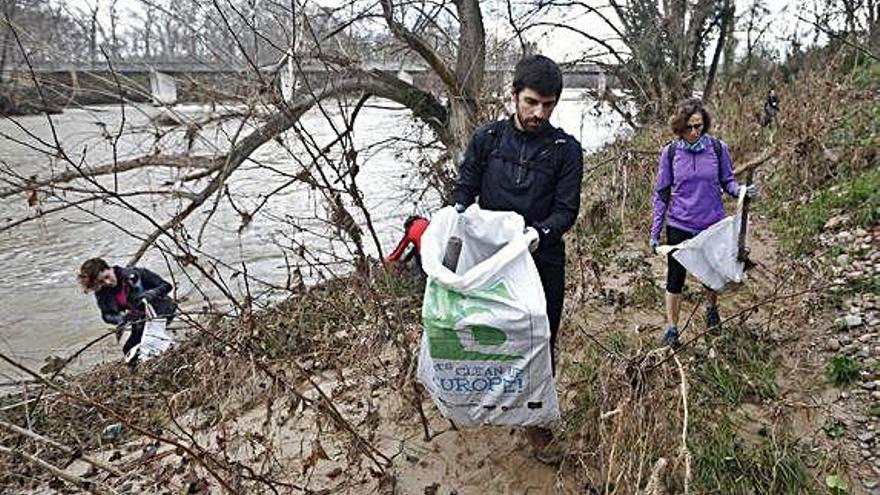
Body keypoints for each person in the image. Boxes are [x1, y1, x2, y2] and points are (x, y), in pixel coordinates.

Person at [452, 54, 583, 460]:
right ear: (513, 95)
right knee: (486, 333)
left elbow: (566, 211)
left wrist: (537, 234)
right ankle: (488, 402)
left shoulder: (567, 151)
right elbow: (464, 190)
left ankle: (536, 424)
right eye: (530, 102)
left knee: (539, 339)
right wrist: (448, 226)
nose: (538, 113)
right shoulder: (487, 139)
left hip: (541, 260)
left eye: (548, 105)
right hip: (491, 262)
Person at [650, 98, 757, 348]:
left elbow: (727, 181)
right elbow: (662, 193)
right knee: (675, 278)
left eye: (698, 126)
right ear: (679, 128)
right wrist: (655, 232)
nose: (694, 132)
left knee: (711, 273)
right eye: (688, 127)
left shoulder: (718, 149)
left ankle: (711, 310)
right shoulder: (671, 153)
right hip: (679, 224)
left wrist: (741, 191)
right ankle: (672, 329)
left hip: (711, 224)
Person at [77, 258, 177, 368]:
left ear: (110, 269)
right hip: (138, 318)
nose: (107, 282)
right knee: (129, 350)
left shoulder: (136, 274)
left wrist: (151, 294)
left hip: (161, 310)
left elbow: (166, 285)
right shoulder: (102, 293)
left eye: (107, 277)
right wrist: (122, 319)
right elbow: (107, 315)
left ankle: (168, 359)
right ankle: (146, 371)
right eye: (101, 282)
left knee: (149, 341)